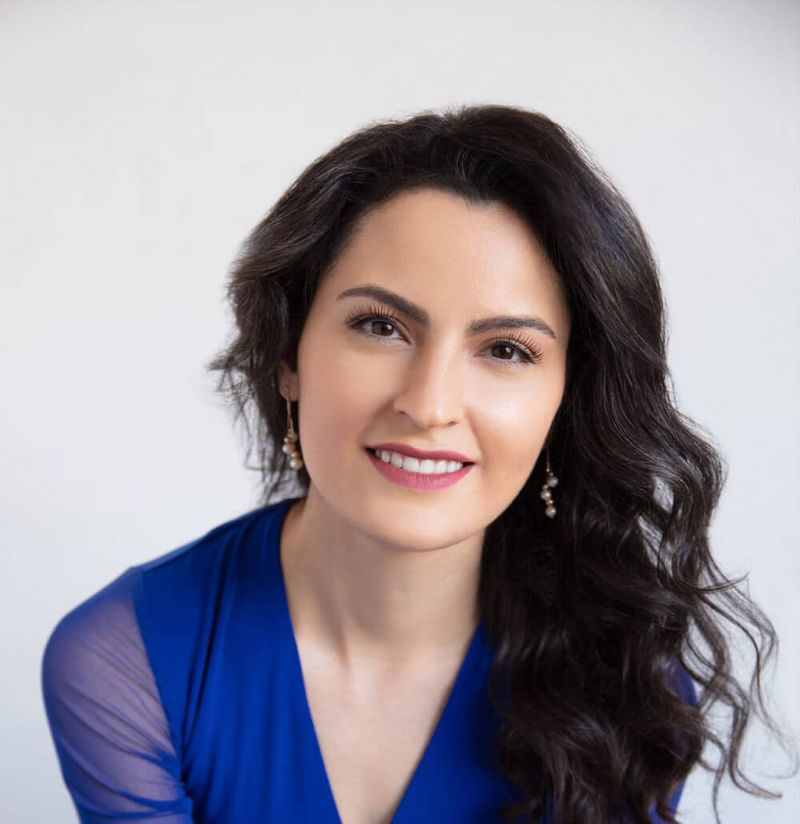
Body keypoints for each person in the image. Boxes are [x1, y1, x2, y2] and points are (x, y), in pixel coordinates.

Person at [41, 104, 786, 824]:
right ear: (287, 355)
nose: (429, 406)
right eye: (380, 325)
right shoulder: (126, 660)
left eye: (506, 350)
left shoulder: (625, 680)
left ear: (567, 398)